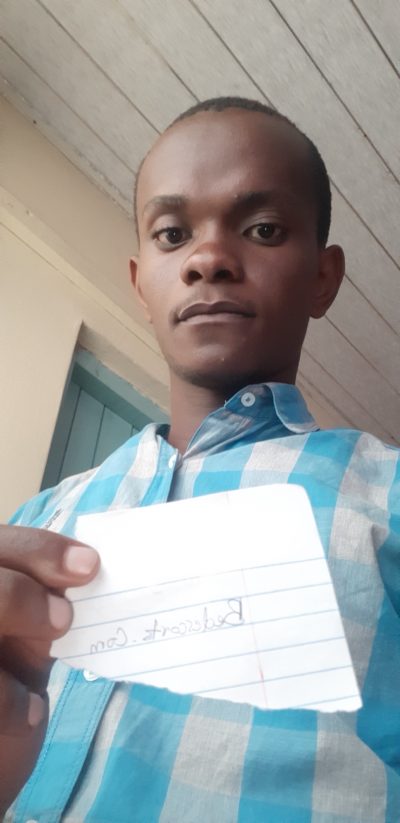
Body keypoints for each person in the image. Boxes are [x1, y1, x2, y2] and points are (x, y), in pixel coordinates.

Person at [1, 97, 399, 822]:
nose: (208, 258)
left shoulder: (389, 496)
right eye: (172, 234)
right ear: (140, 283)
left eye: (263, 228)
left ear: (323, 276)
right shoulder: (41, 519)